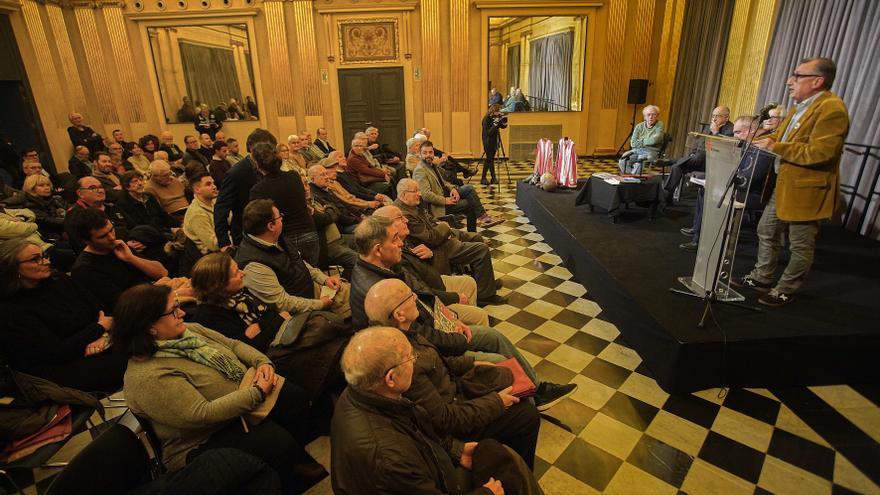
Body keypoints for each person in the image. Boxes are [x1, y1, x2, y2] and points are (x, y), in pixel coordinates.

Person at [112, 283, 327, 492]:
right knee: (278, 442)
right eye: (173, 311)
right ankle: (286, 471)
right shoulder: (148, 377)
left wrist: (262, 362)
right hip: (203, 439)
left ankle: (293, 462)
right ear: (150, 327)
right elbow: (202, 414)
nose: (182, 314)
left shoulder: (188, 332)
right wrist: (257, 392)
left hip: (240, 395)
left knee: (295, 398)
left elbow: (232, 344)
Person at [364, 280, 541, 468]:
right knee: (527, 415)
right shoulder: (404, 362)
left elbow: (439, 361)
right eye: (409, 296)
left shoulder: (405, 332)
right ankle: (514, 473)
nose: (415, 297)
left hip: (455, 390)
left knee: (509, 378)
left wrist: (472, 362)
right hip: (455, 416)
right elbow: (445, 419)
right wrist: (497, 402)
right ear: (399, 314)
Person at [332, 326, 527, 495]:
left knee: (497, 455)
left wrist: (455, 450)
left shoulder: (358, 394)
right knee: (512, 468)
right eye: (411, 357)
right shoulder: (389, 458)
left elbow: (417, 431)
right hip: (433, 480)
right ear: (390, 378)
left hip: (432, 463)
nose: (415, 361)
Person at [732, 57, 849, 306]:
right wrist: (764, 136)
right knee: (766, 229)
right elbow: (783, 135)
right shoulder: (799, 107)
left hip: (808, 189)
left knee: (800, 243)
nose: (789, 81)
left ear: (817, 81)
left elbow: (822, 152)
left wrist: (777, 146)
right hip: (785, 184)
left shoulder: (832, 109)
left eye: (797, 75)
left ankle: (786, 288)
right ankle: (762, 277)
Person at [0, 239, 127, 393]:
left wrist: (104, 336)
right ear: (12, 268)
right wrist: (98, 328)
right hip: (55, 369)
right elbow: (53, 352)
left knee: (142, 341)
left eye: (44, 256)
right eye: (35, 259)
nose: (46, 262)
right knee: (131, 359)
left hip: (95, 342)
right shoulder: (10, 309)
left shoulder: (59, 280)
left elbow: (99, 310)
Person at [394, 180, 503, 305]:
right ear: (403, 195)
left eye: (419, 190)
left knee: (476, 237)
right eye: (415, 191)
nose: (419, 194)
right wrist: (445, 229)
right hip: (438, 247)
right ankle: (485, 296)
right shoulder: (403, 214)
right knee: (481, 249)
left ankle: (482, 284)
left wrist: (444, 229)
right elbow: (431, 238)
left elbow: (431, 219)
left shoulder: (412, 204)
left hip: (441, 236)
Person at [679, 116, 774, 251]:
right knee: (703, 189)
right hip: (741, 187)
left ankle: (701, 241)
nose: (734, 136)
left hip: (752, 194)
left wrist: (721, 182)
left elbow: (750, 178)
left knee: (708, 191)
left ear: (752, 130)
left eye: (738, 132)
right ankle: (698, 231)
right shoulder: (749, 144)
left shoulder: (762, 148)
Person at [235, 199, 341, 314]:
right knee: (352, 304)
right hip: (298, 312)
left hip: (310, 291)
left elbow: (299, 261)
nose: (282, 219)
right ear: (271, 226)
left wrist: (324, 278)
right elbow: (283, 303)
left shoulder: (277, 239)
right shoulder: (253, 265)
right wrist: (320, 304)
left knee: (349, 291)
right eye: (279, 216)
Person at [69, 208, 169, 312]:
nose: (112, 237)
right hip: (141, 311)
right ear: (86, 241)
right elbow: (124, 306)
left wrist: (131, 258)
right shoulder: (84, 269)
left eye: (111, 230)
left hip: (156, 295)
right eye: (103, 236)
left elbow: (162, 272)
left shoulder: (117, 245)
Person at [248, 143, 320, 265]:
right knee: (312, 275)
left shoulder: (258, 190)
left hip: (284, 239)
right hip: (308, 232)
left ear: (257, 164)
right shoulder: (294, 176)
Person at [413, 141, 502, 231]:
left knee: (469, 188)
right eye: (425, 153)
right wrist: (445, 201)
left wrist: (452, 189)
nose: (428, 155)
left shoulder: (432, 165)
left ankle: (482, 217)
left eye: (430, 152)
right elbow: (426, 195)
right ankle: (475, 231)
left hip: (445, 193)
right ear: (420, 154)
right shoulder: (420, 171)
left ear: (433, 153)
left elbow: (443, 182)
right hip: (438, 206)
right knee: (470, 204)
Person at [214, 129, 277, 249]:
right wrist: (224, 242)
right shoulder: (236, 173)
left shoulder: (271, 167)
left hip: (271, 230)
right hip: (246, 234)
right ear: (251, 148)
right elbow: (221, 208)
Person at [663, 106, 734, 199]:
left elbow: (723, 149)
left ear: (726, 118)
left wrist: (715, 132)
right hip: (699, 159)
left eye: (718, 116)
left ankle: (673, 160)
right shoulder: (709, 126)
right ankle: (667, 195)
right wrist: (693, 153)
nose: (714, 119)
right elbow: (700, 145)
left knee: (701, 154)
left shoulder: (731, 129)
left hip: (715, 162)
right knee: (677, 167)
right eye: (713, 116)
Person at [618, 105, 665, 175]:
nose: (651, 117)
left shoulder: (659, 125)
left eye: (653, 115)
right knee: (623, 159)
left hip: (651, 151)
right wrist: (647, 140)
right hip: (637, 150)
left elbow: (655, 140)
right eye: (648, 115)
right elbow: (633, 143)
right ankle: (630, 177)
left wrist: (641, 141)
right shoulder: (639, 126)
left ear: (657, 116)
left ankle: (633, 179)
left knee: (640, 161)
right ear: (644, 117)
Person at [22, 174, 67, 241]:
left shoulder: (50, 199)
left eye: (48, 185)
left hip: (58, 230)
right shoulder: (30, 204)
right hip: (47, 236)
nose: (47, 188)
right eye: (41, 185)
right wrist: (69, 221)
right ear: (31, 188)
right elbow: (46, 221)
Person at [481, 104, 504, 185]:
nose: (499, 112)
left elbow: (503, 126)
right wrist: (495, 124)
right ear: (494, 111)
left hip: (494, 142)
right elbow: (489, 132)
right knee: (490, 160)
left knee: (489, 159)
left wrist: (501, 121)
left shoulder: (494, 118)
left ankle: (484, 178)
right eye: (498, 111)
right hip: (488, 142)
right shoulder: (486, 118)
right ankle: (493, 178)